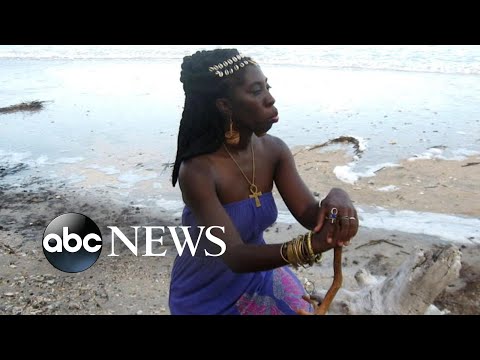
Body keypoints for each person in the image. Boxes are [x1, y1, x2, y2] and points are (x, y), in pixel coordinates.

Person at [169, 48, 359, 315]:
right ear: (225, 105)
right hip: (205, 290)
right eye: (256, 91)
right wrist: (309, 247)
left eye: (267, 87)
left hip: (260, 274)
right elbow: (234, 255)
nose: (270, 99)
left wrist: (339, 199)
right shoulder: (198, 171)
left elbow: (309, 215)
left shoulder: (274, 151)